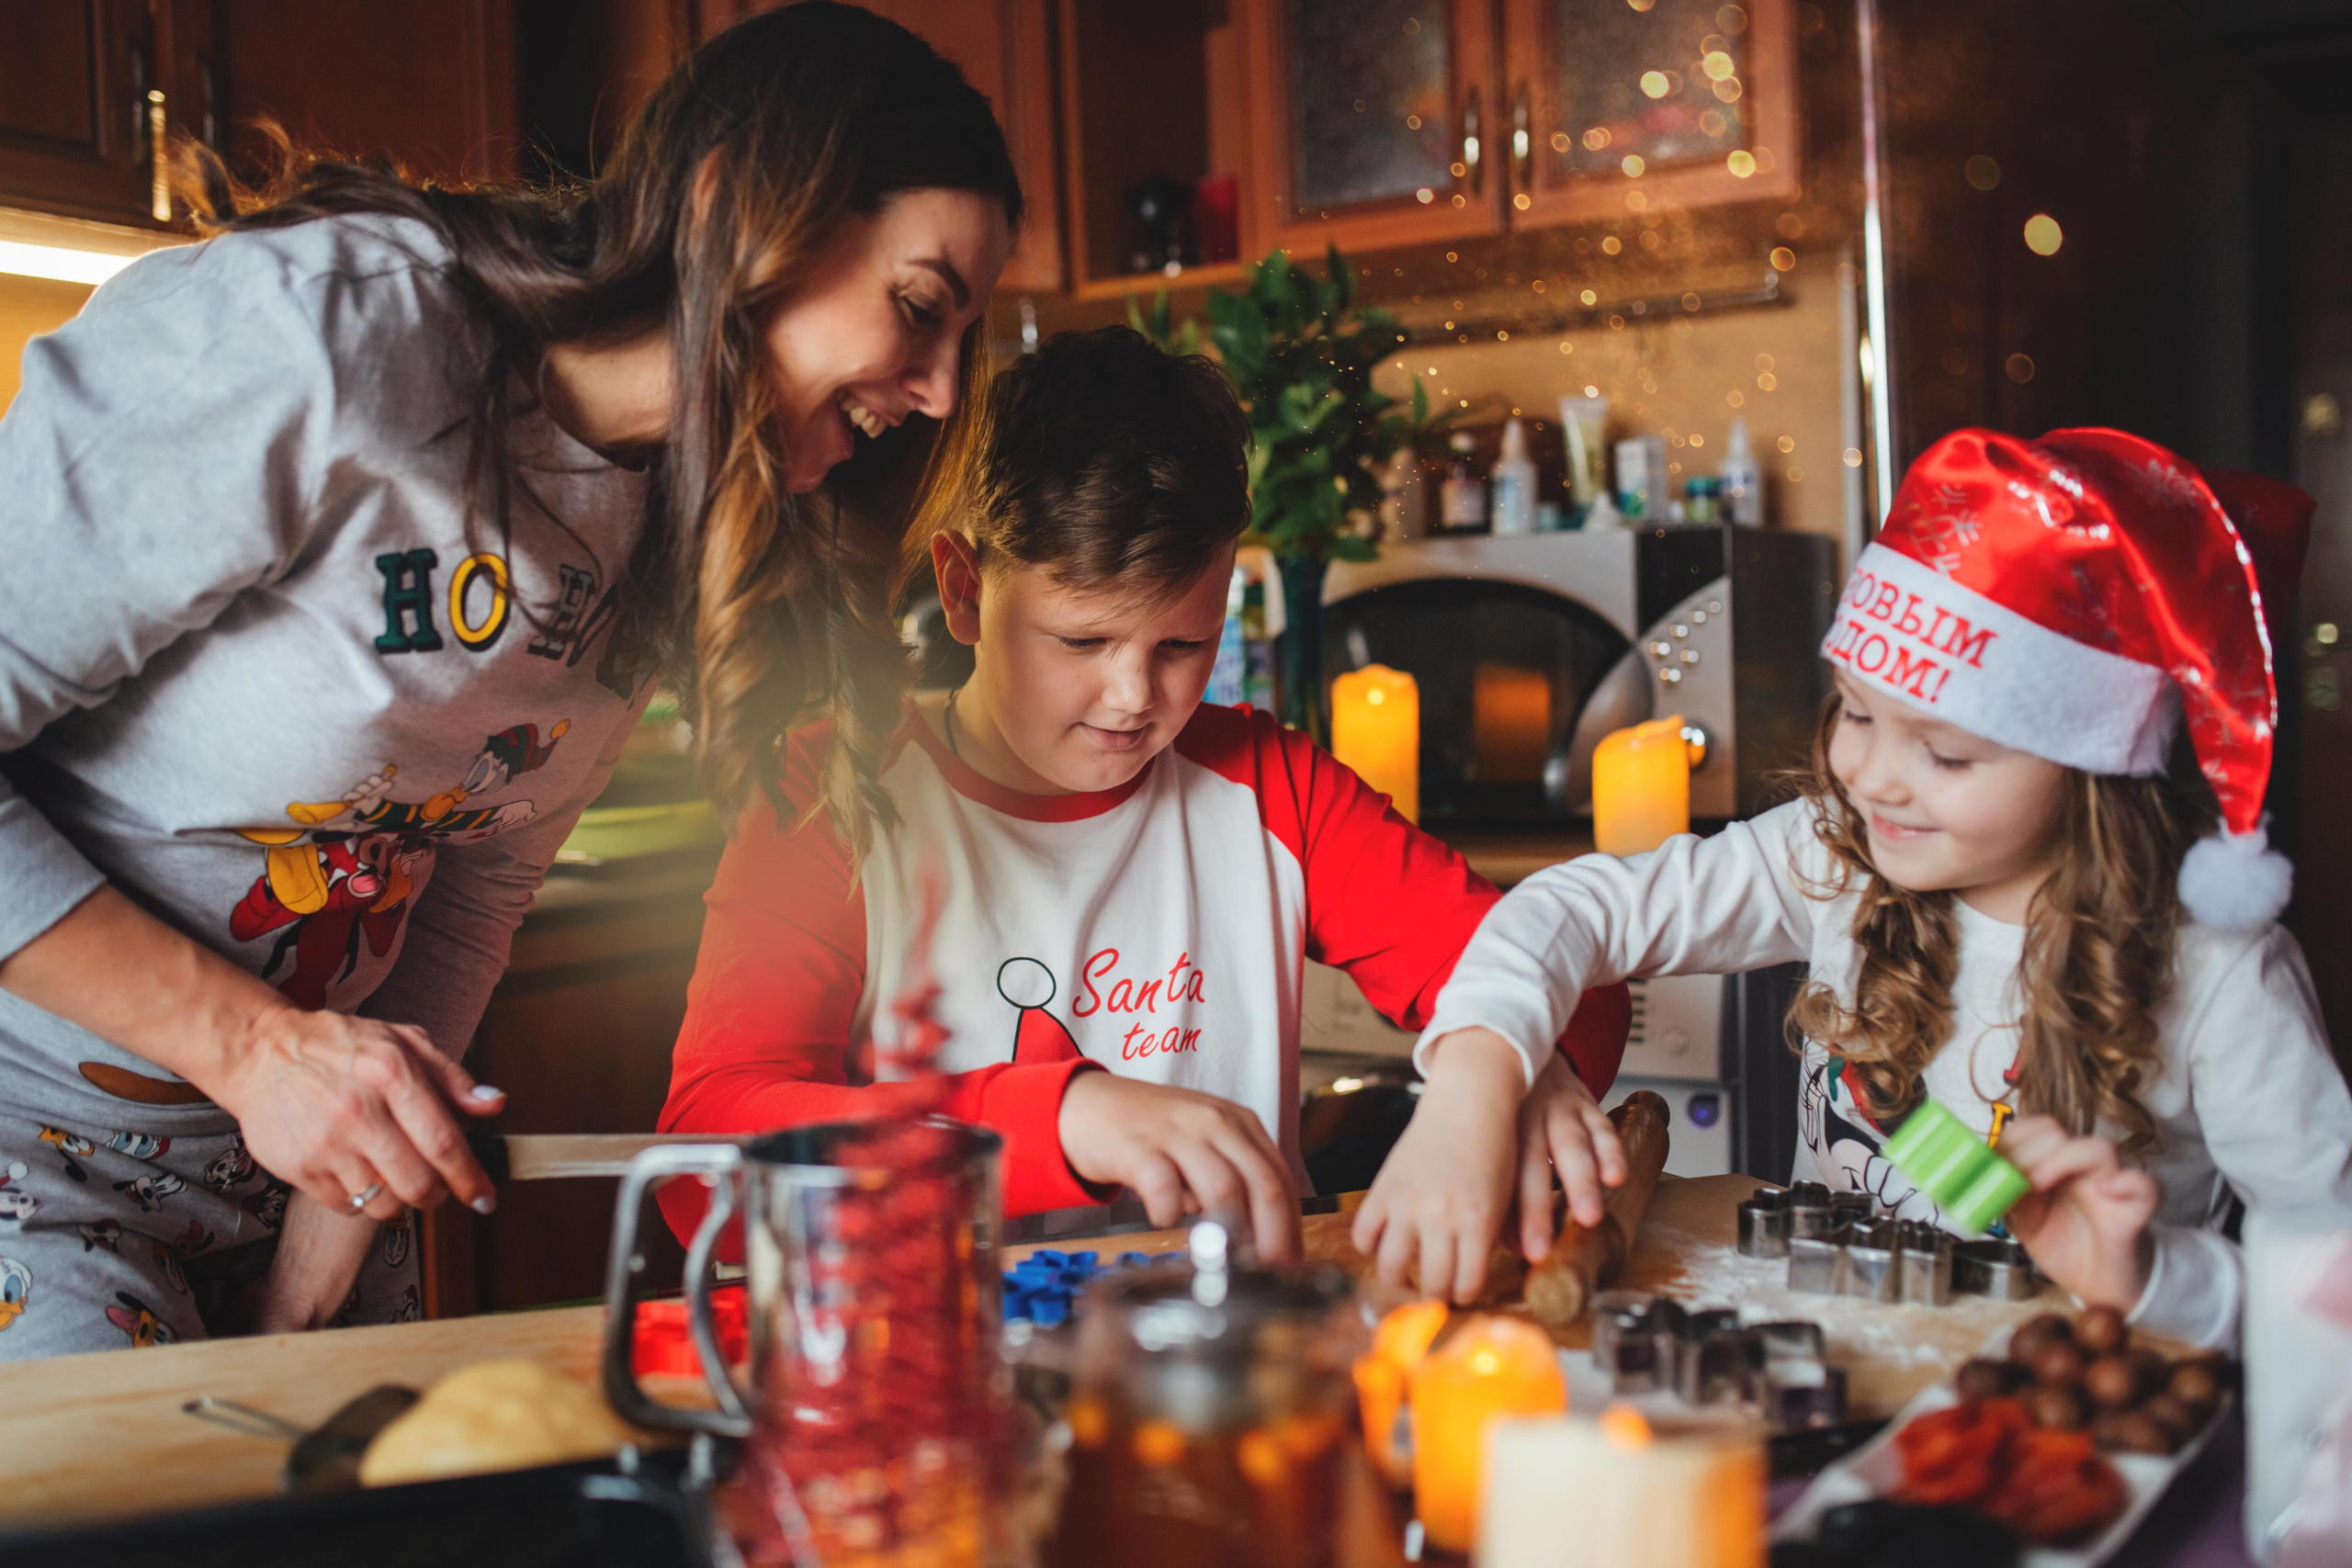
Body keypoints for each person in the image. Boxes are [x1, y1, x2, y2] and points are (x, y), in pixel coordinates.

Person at [0, 1, 1019, 1358]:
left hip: (287, 1175)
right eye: (917, 306)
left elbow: (473, 889)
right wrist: (257, 1053)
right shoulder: (326, 334)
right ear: (734, 200)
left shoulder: (676, 518)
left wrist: (313, 1261)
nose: (947, 390)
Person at [659, 325, 1631, 1288]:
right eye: (1081, 642)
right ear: (964, 591)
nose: (1134, 697)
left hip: (1237, 1364)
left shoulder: (1272, 791)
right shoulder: (834, 792)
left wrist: (1509, 1062)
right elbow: (706, 1158)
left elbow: (1573, 976)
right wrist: (1061, 1119)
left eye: (1181, 647)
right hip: (930, 1361)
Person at [1382, 425, 2352, 1348]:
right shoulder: (1835, 854)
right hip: (1828, 1386)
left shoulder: (2220, 975)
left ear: (2088, 761)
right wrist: (1470, 1081)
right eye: (1854, 712)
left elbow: (2328, 1280)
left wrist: (2145, 1274)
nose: (1873, 777)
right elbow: (1573, 910)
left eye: (1944, 752)